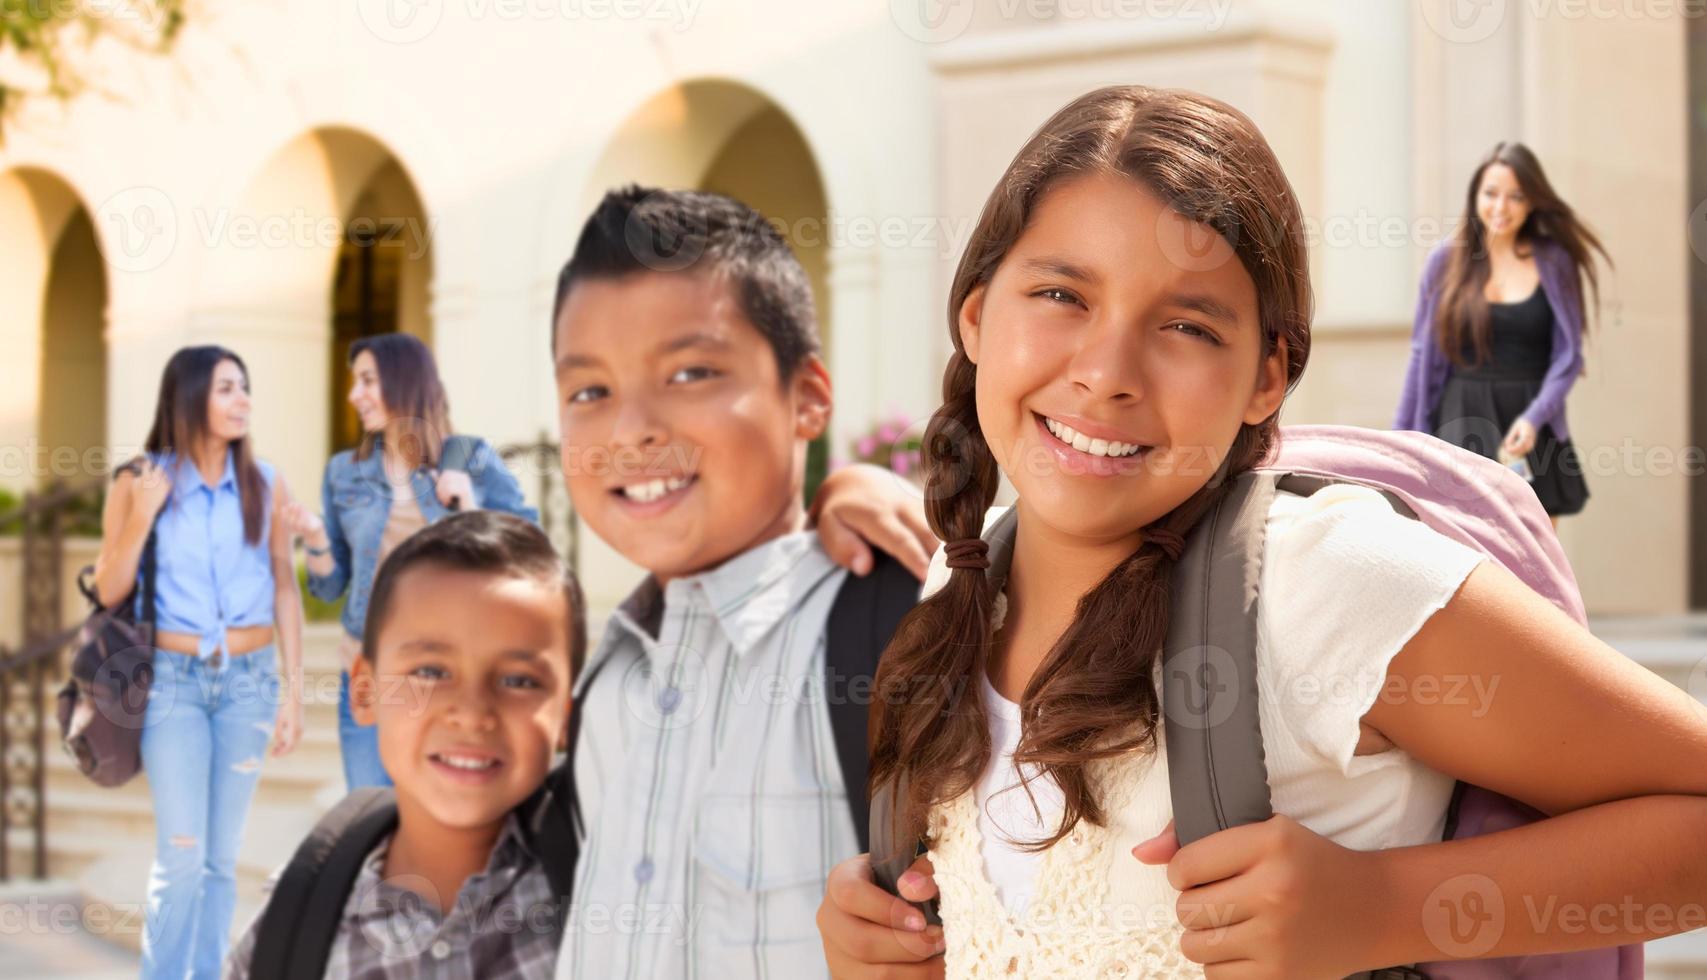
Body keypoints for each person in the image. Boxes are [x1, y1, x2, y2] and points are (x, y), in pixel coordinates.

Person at [816, 85, 1707, 978]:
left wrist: (1388, 908)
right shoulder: (957, 583)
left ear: (1265, 379)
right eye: (1060, 294)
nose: (1105, 374)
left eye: (1186, 326)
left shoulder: (1319, 581)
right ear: (975, 316)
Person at [548, 186, 935, 978]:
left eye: (690, 372)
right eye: (590, 391)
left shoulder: (896, 631)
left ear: (808, 397)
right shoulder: (604, 682)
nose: (630, 431)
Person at [224, 510, 583, 979]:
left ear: (566, 718)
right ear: (366, 692)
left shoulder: (603, 903)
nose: (472, 714)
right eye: (430, 672)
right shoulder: (294, 924)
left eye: (518, 680)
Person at [91, 346, 306, 979]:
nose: (243, 400)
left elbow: (285, 585)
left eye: (245, 387)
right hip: (173, 686)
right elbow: (108, 588)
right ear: (189, 399)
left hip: (249, 685)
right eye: (226, 389)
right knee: (181, 855)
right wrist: (142, 520)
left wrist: (293, 694)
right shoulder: (138, 480)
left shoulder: (266, 483)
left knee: (220, 858)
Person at [284, 332, 538, 789]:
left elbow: (531, 550)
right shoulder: (345, 471)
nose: (353, 395)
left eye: (367, 381)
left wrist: (471, 508)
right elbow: (329, 585)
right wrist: (318, 538)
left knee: (441, 816)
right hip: (367, 672)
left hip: (453, 676)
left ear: (404, 382)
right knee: (368, 814)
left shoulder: (469, 458)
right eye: (353, 382)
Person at [1395, 141, 1610, 525]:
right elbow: (1421, 356)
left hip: (1531, 426)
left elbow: (1568, 354)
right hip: (1458, 422)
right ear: (1475, 194)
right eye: (1491, 193)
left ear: (1532, 203)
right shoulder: (1445, 261)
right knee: (1464, 556)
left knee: (1534, 562)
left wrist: (1534, 418)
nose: (1501, 206)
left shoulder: (1555, 262)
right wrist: (1401, 440)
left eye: (1516, 196)